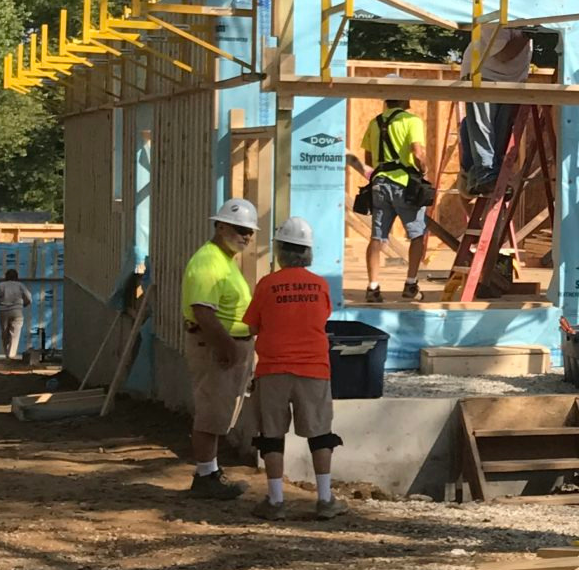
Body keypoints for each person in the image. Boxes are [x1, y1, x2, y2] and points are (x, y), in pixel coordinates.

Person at [242, 216, 344, 521]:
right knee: (320, 433)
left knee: (271, 434)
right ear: (308, 252)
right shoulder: (320, 285)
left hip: (273, 369)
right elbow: (321, 317)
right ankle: (325, 500)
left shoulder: (267, 285)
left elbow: (251, 326)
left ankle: (275, 502)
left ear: (280, 250)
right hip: (314, 368)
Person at [179, 197, 260, 501]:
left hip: (224, 345)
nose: (246, 236)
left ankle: (210, 471)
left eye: (250, 232)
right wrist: (227, 346)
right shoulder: (208, 262)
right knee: (210, 413)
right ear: (221, 225)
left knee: (218, 413)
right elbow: (203, 312)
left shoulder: (223, 260)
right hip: (215, 346)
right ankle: (205, 475)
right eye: (240, 229)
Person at [358, 93, 431, 304]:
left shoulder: (375, 122)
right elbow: (417, 152)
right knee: (417, 235)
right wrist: (424, 172)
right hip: (405, 183)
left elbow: (369, 158)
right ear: (403, 99)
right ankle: (411, 284)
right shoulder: (411, 120)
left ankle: (373, 288)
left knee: (378, 236)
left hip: (380, 184)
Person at [461, 26, 536, 193]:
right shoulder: (495, 17)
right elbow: (503, 55)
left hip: (510, 81)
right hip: (483, 76)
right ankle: (485, 174)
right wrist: (526, 34)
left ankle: (485, 176)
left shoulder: (526, 19)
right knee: (483, 126)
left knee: (501, 130)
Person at [0, 267, 33, 361]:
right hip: (17, 311)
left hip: (3, 311)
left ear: (6, 276)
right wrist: (24, 304)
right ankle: (11, 355)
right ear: (17, 277)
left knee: (5, 333)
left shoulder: (1, 285)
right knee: (15, 334)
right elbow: (29, 297)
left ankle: (7, 354)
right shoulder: (20, 285)